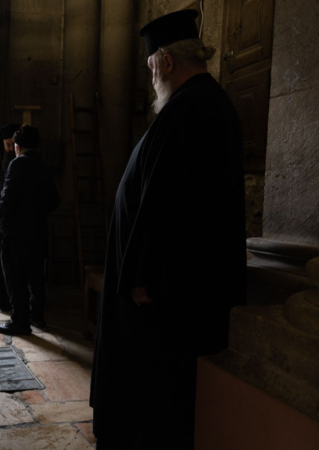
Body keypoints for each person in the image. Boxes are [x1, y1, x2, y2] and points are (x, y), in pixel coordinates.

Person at [90, 10, 246, 450]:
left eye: (150, 66)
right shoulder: (195, 104)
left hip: (160, 301)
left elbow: (174, 204)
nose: (150, 75)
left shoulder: (193, 109)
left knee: (152, 411)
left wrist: (144, 276)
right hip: (160, 293)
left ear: (166, 61)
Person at [0, 125, 59, 336]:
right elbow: (54, 201)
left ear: (17, 146)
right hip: (38, 232)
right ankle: (37, 316)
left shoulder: (17, 164)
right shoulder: (43, 165)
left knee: (16, 278)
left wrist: (3, 224)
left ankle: (19, 321)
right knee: (35, 276)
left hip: (17, 233)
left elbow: (7, 198)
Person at [0, 124, 20, 311]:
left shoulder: (17, 164)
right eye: (6, 145)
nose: (9, 149)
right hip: (1, 220)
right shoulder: (1, 163)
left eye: (11, 145)